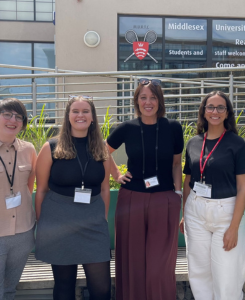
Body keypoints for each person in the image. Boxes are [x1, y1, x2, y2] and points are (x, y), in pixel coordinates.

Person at [106, 78, 184, 300]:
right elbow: (102, 151)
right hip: (132, 198)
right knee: (133, 260)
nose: (148, 102)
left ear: (160, 101)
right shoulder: (127, 128)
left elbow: (176, 164)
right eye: (143, 97)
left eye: (153, 97)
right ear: (136, 100)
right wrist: (117, 175)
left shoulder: (173, 128)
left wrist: (177, 194)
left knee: (161, 263)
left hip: (165, 198)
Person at [35, 96, 111, 300]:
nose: (80, 115)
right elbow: (41, 189)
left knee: (102, 289)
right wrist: (43, 223)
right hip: (58, 222)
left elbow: (104, 188)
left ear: (93, 117)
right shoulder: (51, 147)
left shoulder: (101, 148)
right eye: (75, 111)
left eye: (85, 111)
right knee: (64, 286)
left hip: (93, 223)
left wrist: (102, 218)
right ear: (68, 116)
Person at [180, 91, 245, 300]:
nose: (215, 111)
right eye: (210, 107)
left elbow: (243, 188)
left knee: (227, 273)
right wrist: (185, 213)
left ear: (227, 112)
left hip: (227, 212)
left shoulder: (238, 144)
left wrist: (234, 227)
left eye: (221, 107)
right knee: (199, 271)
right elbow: (188, 180)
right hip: (195, 209)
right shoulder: (194, 142)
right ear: (203, 111)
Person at [0, 98, 37, 300]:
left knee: (10, 290)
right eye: (7, 114)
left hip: (23, 233)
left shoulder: (28, 149)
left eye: (19, 116)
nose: (13, 120)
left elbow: (29, 185)